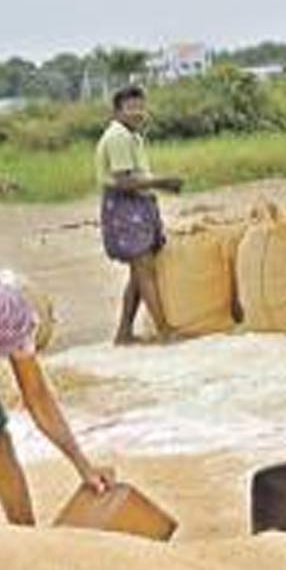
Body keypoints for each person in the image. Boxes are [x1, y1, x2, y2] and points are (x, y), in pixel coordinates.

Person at [0, 273, 114, 524]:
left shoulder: (9, 312)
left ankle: (26, 543)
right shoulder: (9, 311)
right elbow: (36, 396)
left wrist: (83, 465)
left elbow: (37, 396)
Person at [94, 85, 182, 344]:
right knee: (144, 270)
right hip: (125, 205)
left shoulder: (132, 135)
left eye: (141, 106)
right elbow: (123, 181)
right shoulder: (119, 136)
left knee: (138, 273)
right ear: (117, 111)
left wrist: (155, 184)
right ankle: (165, 332)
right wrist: (162, 182)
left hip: (135, 204)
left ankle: (124, 333)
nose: (138, 112)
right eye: (131, 108)